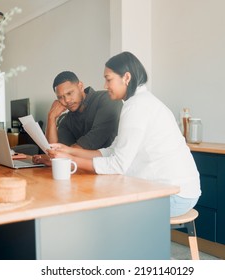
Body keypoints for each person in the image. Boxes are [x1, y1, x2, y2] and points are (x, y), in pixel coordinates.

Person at [36, 52, 201, 217]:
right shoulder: (136, 103)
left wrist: (70, 160)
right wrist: (69, 151)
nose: (105, 85)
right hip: (175, 191)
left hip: (175, 195)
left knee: (102, 205)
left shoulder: (137, 107)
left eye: (108, 79)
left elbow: (118, 165)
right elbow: (111, 150)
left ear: (126, 78)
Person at [37, 71, 123, 165]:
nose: (67, 100)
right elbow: (53, 150)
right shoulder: (66, 120)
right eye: (61, 97)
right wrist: (51, 117)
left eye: (69, 93)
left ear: (80, 86)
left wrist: (59, 154)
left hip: (113, 168)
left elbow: (94, 139)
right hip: (83, 170)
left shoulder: (107, 99)